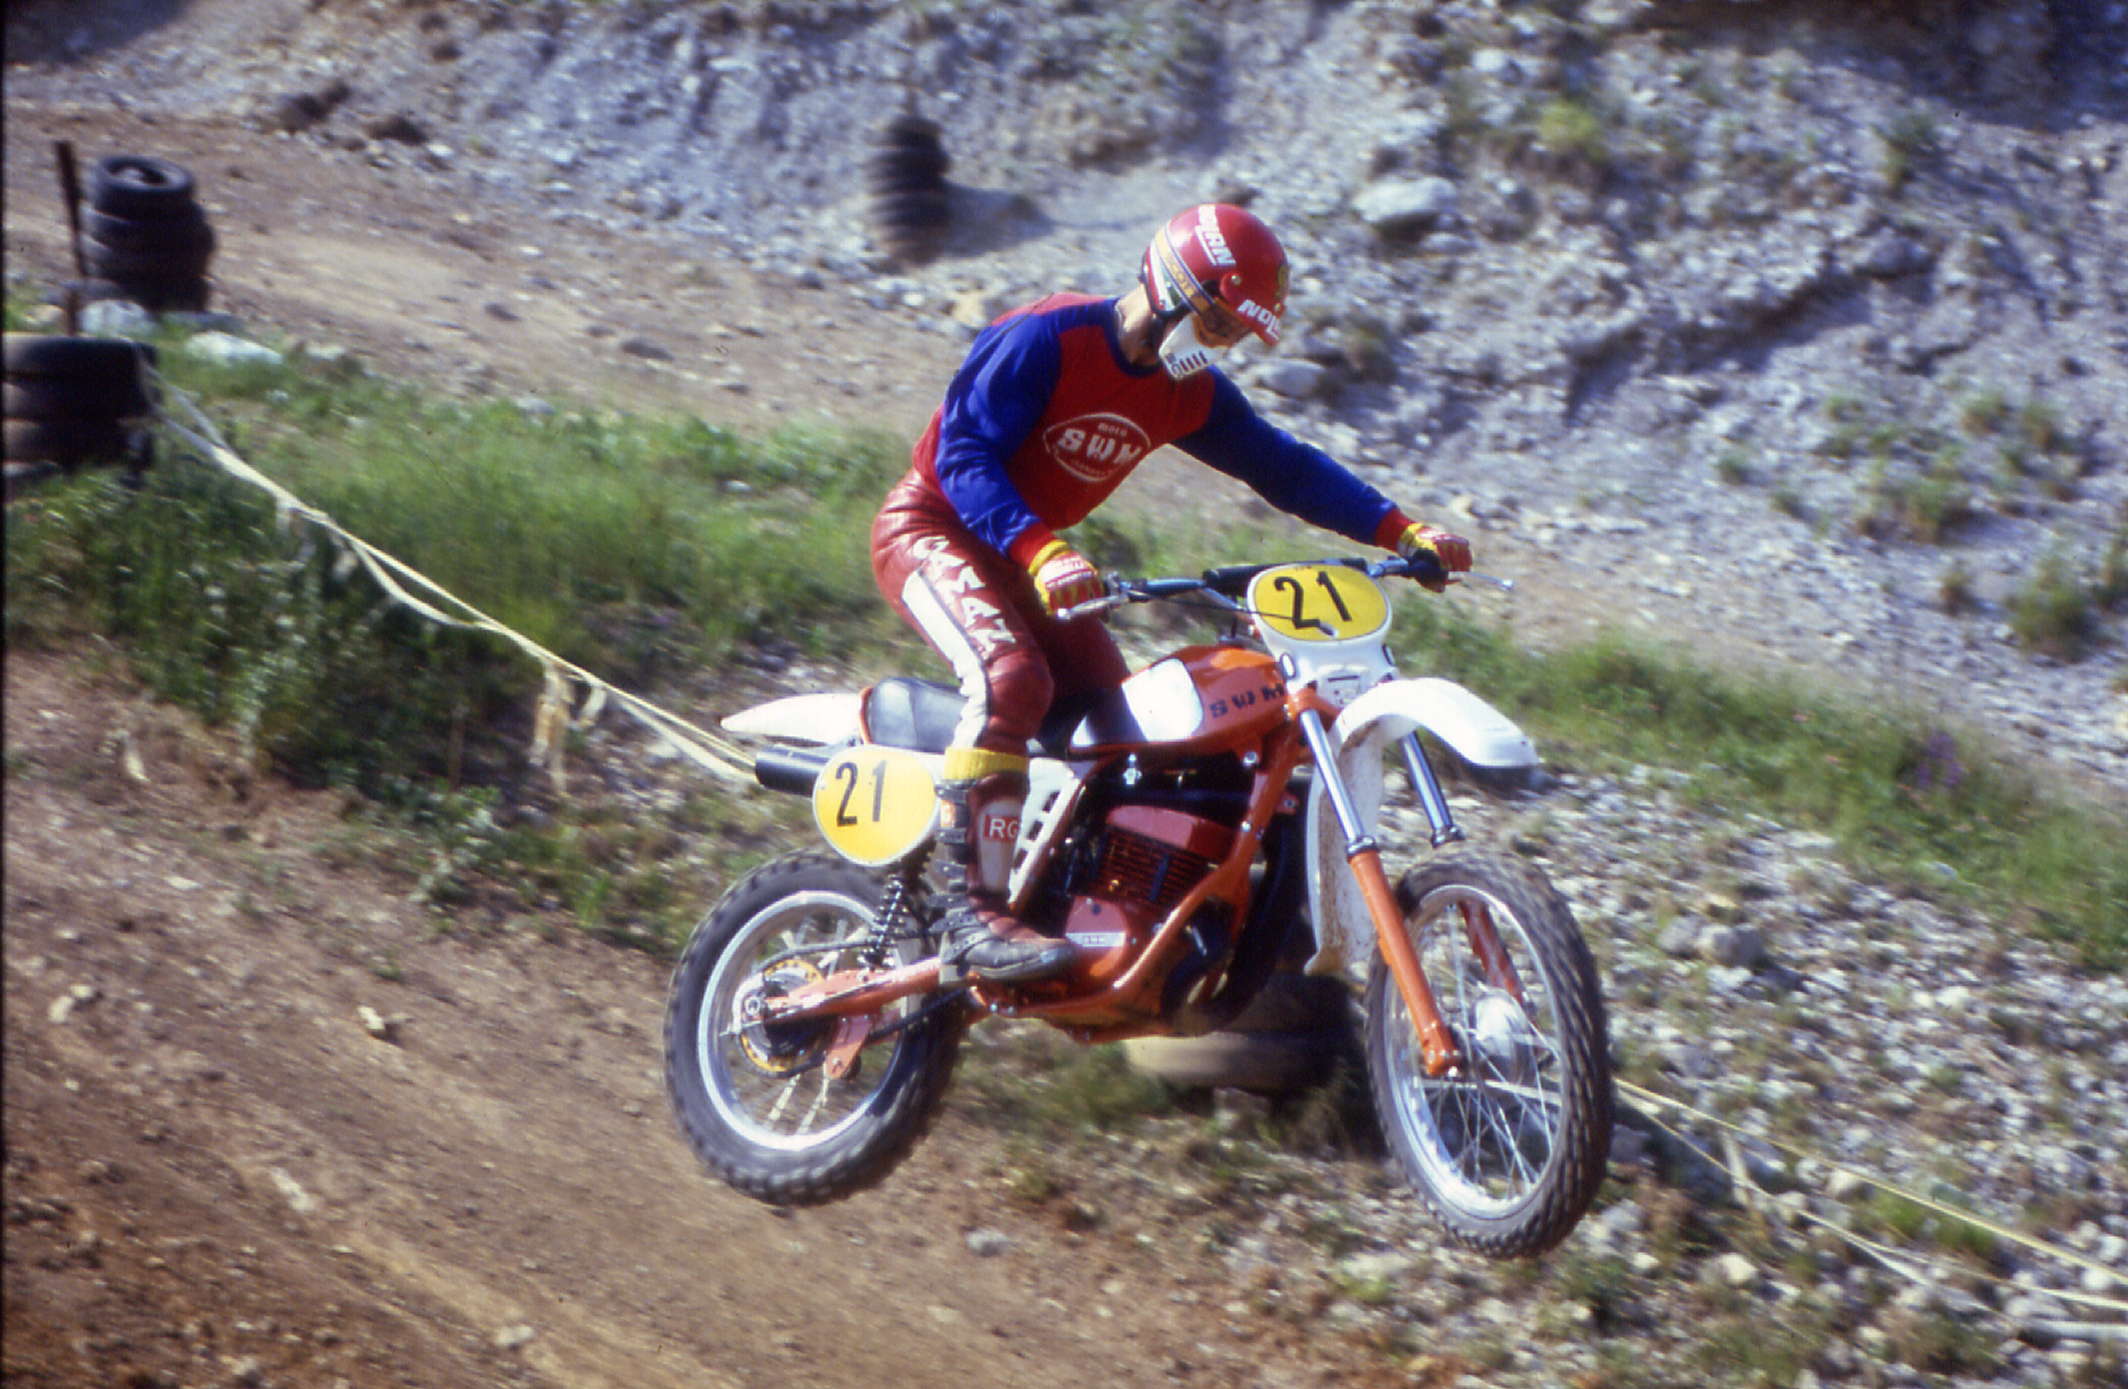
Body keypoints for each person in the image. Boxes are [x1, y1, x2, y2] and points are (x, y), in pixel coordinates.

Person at [871, 202, 1473, 984]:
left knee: (1121, 725)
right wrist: (1041, 548)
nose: (1220, 345)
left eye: (1234, 335)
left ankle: (1072, 902)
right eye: (1218, 322)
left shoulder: (1185, 392)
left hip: (1028, 562)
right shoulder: (1047, 337)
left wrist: (1400, 529)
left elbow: (1282, 466)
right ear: (1175, 285)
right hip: (933, 531)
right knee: (1012, 677)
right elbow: (963, 456)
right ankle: (969, 916)